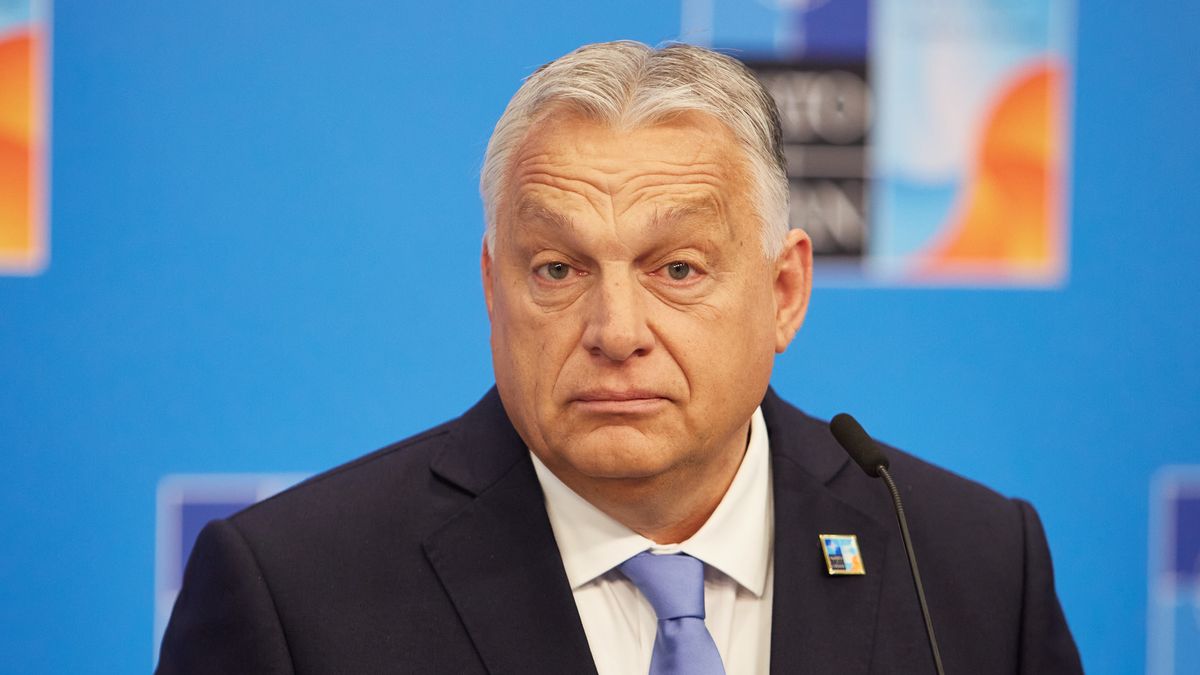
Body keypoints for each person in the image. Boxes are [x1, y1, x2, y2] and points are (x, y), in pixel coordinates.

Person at [157, 41, 1083, 674]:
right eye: (557, 269)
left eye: (677, 267)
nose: (615, 328)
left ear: (784, 293)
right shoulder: (294, 592)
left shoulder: (971, 566)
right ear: (493, 286)